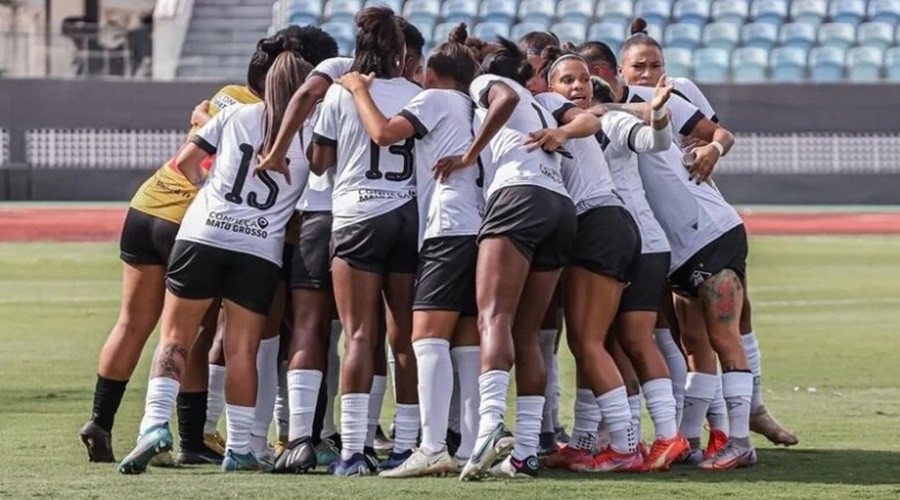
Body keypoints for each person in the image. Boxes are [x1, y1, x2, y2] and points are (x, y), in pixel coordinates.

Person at [77, 27, 308, 466]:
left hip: (183, 222)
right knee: (236, 346)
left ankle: (140, 425)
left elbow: (187, 160)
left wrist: (210, 194)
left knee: (165, 333)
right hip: (256, 246)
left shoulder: (230, 106)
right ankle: (231, 447)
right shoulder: (309, 136)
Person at [616, 18, 799, 450]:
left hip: (701, 225)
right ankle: (691, 437)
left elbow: (716, 133)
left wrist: (710, 151)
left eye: (653, 64)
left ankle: (743, 423)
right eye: (638, 67)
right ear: (620, 73)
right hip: (659, 242)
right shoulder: (605, 106)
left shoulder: (677, 92)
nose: (647, 73)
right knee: (686, 339)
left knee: (726, 325)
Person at [332, 22, 486, 478]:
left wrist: (359, 90)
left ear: (432, 71)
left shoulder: (432, 97)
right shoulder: (472, 105)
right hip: (442, 221)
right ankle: (435, 442)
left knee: (396, 336)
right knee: (453, 336)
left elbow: (379, 134)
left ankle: (370, 449)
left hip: (419, 222)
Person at [443, 37, 583, 481]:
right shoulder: (543, 104)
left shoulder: (491, 82)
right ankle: (524, 451)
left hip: (518, 197)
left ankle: (488, 429)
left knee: (493, 317)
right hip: (560, 207)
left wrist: (468, 154)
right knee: (527, 332)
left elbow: (499, 98)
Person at [307, 7, 423, 477]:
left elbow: (318, 162)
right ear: (401, 52)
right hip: (408, 215)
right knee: (405, 338)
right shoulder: (418, 93)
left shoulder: (341, 92)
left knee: (358, 335)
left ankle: (353, 450)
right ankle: (409, 445)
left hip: (355, 215)